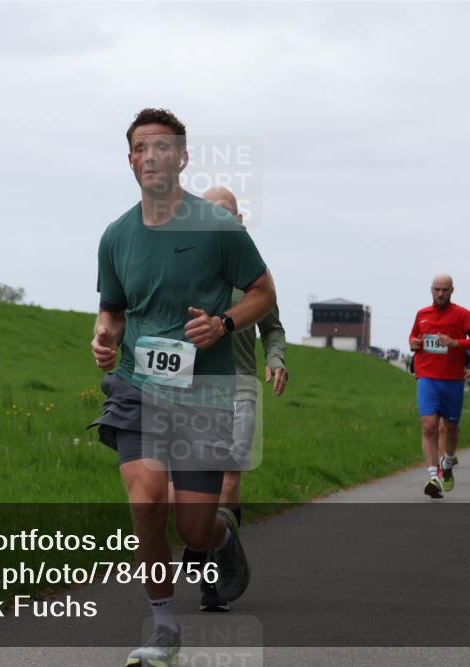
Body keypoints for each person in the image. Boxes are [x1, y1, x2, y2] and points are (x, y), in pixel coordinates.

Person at [90, 108, 276, 666]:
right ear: (130, 161)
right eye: (141, 148)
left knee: (192, 528)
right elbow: (112, 311)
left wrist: (223, 324)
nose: (152, 157)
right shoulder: (116, 236)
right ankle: (164, 626)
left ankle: (219, 537)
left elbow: (263, 293)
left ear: (183, 157)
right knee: (145, 498)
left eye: (163, 147)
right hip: (138, 388)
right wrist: (103, 338)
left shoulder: (219, 228)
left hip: (205, 395)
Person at [185, 186, 288, 613]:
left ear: (240, 220)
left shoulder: (255, 276)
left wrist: (276, 359)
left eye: (226, 213)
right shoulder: (188, 268)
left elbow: (273, 328)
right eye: (211, 213)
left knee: (228, 479)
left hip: (241, 386)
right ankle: (208, 541)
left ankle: (212, 576)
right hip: (191, 390)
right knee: (190, 485)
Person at [408, 274, 470, 498]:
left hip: (452, 379)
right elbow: (414, 336)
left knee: (450, 429)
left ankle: (448, 461)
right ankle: (433, 476)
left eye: (445, 290)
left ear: (452, 290)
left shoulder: (462, 314)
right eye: (437, 289)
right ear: (431, 290)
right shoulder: (422, 314)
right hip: (426, 377)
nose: (440, 294)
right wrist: (413, 343)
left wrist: (456, 343)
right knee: (429, 425)